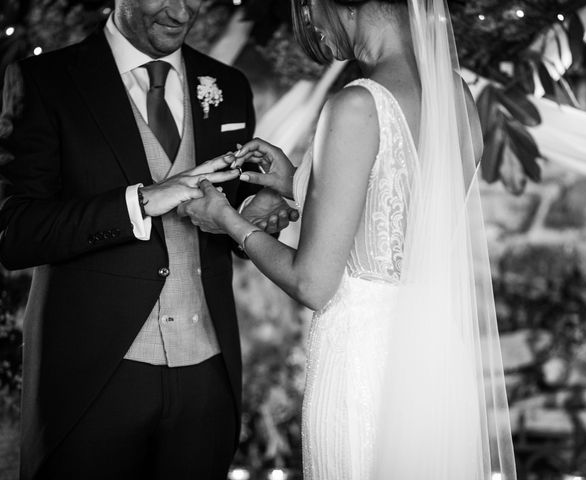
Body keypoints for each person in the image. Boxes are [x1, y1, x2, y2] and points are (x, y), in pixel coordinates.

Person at [181, 0, 518, 478]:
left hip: (364, 363)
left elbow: (314, 283)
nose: (314, 25)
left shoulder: (356, 104)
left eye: (309, 8)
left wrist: (228, 221)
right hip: (436, 356)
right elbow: (400, 213)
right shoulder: (455, 96)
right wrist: (298, 180)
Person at [0, 0, 297, 478]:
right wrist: (139, 202)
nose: (182, 11)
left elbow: (225, 212)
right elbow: (15, 231)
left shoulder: (227, 85)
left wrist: (251, 217)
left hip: (207, 373)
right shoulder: (44, 81)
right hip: (94, 374)